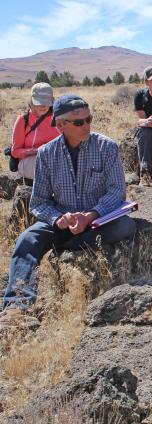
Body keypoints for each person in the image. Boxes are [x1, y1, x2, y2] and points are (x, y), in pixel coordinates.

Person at [1, 94, 137, 317]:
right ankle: (17, 305)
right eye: (79, 122)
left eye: (89, 119)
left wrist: (91, 215)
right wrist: (58, 218)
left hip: (97, 221)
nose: (86, 126)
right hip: (62, 220)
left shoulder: (107, 147)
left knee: (125, 226)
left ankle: (68, 245)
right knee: (27, 239)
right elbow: (39, 202)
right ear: (60, 124)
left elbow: (116, 192)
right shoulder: (46, 154)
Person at [10, 83, 60, 180]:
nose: (42, 106)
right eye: (38, 102)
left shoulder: (58, 118)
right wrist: (37, 150)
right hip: (29, 161)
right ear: (32, 101)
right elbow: (15, 152)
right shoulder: (23, 120)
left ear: (52, 101)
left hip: (56, 159)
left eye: (46, 102)